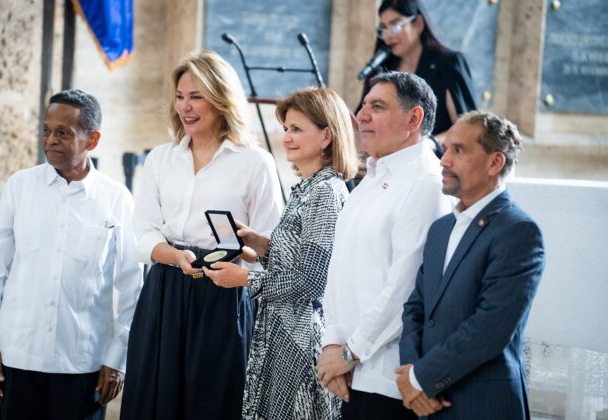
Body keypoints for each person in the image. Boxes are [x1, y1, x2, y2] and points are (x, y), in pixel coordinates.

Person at [119, 51, 283, 420]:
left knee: (214, 403)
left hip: (224, 294)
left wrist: (244, 250)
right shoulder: (160, 159)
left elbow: (271, 246)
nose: (185, 106)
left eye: (197, 96)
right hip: (164, 291)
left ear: (222, 99)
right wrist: (175, 256)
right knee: (155, 402)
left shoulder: (255, 162)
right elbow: (143, 233)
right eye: (180, 96)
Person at [0, 89, 143, 419]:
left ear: (92, 139)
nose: (50, 141)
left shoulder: (117, 199)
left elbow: (131, 288)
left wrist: (118, 357)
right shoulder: (20, 187)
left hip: (83, 366)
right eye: (46, 131)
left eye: (63, 133)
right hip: (16, 359)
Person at [204, 87, 359, 420]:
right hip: (281, 332)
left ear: (327, 136)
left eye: (297, 129)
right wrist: (261, 244)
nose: (286, 137)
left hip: (300, 341)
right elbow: (302, 259)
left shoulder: (324, 192)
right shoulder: (307, 187)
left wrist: (246, 279)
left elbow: (312, 281)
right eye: (286, 128)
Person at [316, 71, 452, 420]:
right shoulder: (370, 179)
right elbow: (338, 269)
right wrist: (332, 342)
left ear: (413, 119)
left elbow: (405, 286)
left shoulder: (425, 182)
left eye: (377, 107)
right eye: (363, 106)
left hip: (388, 377)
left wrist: (349, 352)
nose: (361, 116)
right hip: (349, 372)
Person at [395, 111, 545, 419]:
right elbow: (415, 308)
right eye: (445, 149)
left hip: (483, 403)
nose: (444, 160)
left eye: (458, 150)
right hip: (428, 403)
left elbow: (489, 329)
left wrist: (420, 379)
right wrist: (411, 372)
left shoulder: (518, 231)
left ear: (495, 162)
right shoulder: (440, 229)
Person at [358, 0, 477, 143]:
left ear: (418, 23)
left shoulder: (448, 62)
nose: (388, 35)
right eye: (383, 28)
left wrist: (430, 143)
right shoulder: (383, 67)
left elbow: (466, 127)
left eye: (395, 25)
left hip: (434, 153)